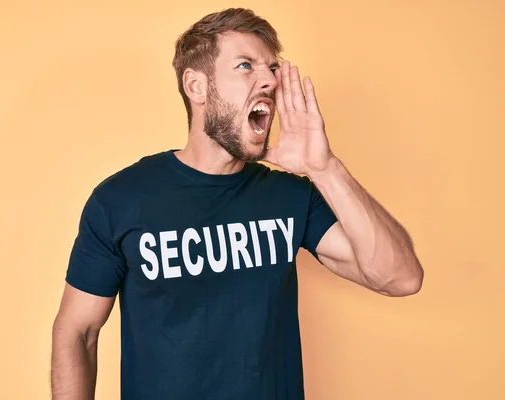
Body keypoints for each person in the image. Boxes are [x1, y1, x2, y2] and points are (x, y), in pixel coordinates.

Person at [50, 8, 424, 400]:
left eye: (272, 69)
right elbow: (78, 331)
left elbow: (399, 278)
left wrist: (324, 167)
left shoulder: (292, 196)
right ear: (196, 86)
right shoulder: (120, 200)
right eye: (246, 66)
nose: (269, 80)